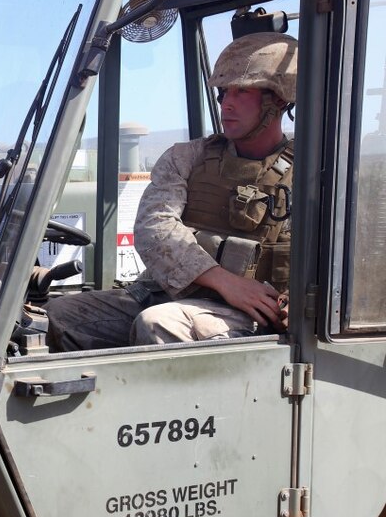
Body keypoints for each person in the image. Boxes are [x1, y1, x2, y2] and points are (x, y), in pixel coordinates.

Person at [45, 31, 298, 350]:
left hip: (248, 316)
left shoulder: (309, 172)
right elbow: (155, 229)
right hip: (176, 295)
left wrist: (297, 304)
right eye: (224, 93)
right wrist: (226, 281)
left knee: (159, 324)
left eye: (242, 92)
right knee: (58, 315)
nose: (227, 104)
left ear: (276, 99)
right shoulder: (187, 157)